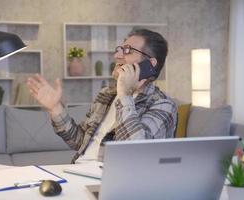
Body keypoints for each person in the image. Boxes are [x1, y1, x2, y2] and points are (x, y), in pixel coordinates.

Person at [27, 29, 177, 164]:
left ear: (150, 64)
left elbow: (135, 153)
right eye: (120, 49)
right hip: (79, 170)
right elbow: (80, 142)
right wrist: (55, 108)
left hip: (113, 181)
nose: (117, 55)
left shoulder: (163, 105)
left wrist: (125, 95)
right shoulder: (107, 94)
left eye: (128, 50)